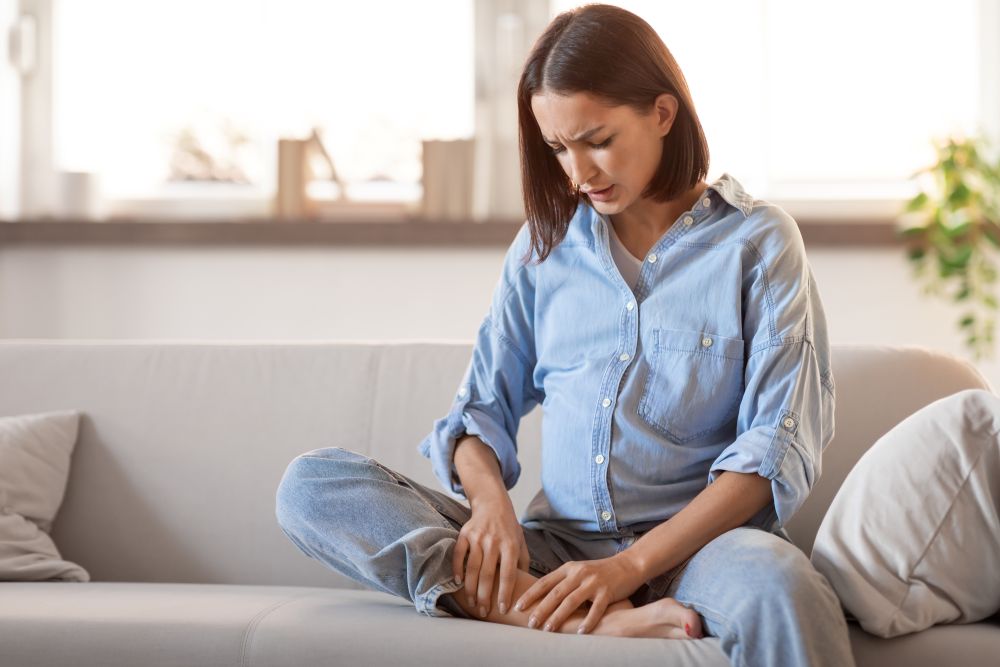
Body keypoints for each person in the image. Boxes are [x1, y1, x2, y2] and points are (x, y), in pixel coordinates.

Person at [275, 4, 855, 665]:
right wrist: (491, 502)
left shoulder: (758, 244)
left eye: (597, 139)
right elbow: (478, 413)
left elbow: (769, 456)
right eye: (558, 148)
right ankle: (570, 616)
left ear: (663, 114)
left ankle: (557, 607)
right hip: (555, 550)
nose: (578, 173)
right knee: (312, 485)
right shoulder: (542, 251)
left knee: (782, 584)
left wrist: (627, 568)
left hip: (701, 554)